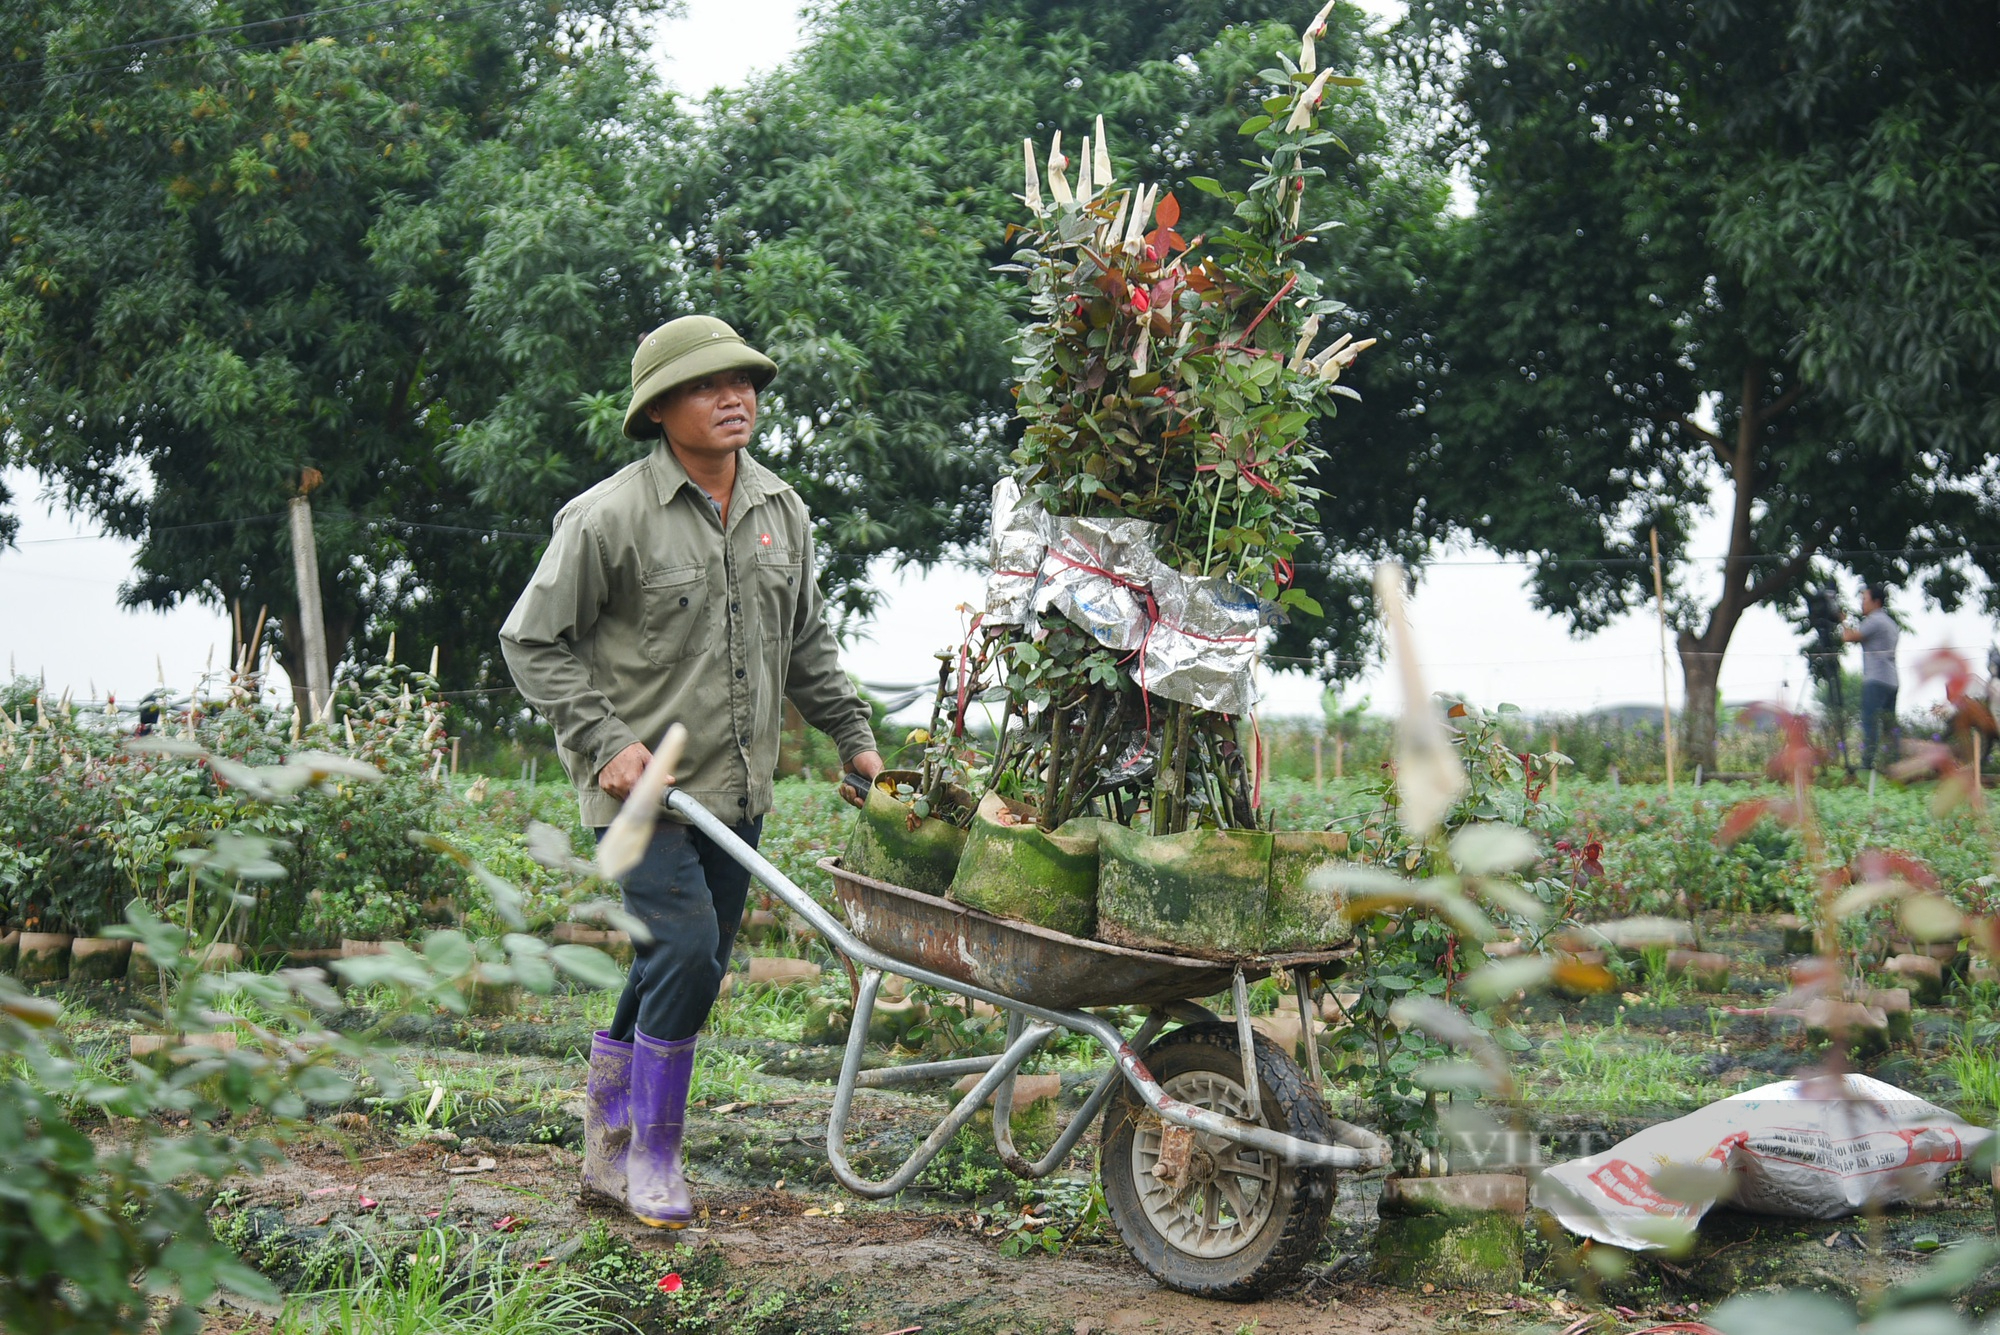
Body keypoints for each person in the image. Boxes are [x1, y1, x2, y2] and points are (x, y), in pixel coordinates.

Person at [500, 315, 884, 1228]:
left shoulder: (779, 510)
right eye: (709, 385)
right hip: (637, 794)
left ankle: (606, 1148)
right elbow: (531, 641)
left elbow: (807, 645)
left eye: (745, 382)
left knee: (673, 964)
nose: (734, 397)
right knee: (686, 951)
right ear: (661, 409)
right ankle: (655, 1157)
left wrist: (854, 737)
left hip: (737, 791)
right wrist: (604, 739)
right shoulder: (608, 517)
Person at [1842, 581, 1900, 773]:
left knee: (1870, 723)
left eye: (1864, 599)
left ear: (1876, 601)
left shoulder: (1874, 620)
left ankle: (1867, 765)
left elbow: (1849, 637)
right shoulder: (1891, 624)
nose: (1862, 603)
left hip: (1875, 680)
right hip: (1892, 680)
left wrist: (1842, 620)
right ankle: (1894, 762)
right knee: (1889, 725)